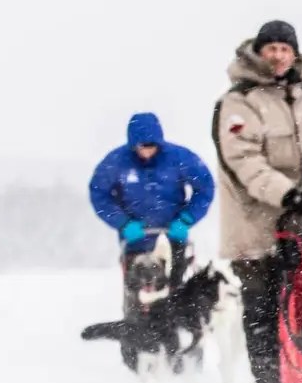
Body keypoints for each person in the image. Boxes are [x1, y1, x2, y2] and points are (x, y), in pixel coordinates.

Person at [214, 20, 302, 383]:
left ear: (294, 55)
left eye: (284, 49)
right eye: (270, 48)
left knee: (300, 308)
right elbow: (243, 160)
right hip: (254, 227)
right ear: (258, 52)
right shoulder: (239, 102)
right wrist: (286, 194)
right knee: (261, 310)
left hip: (298, 225)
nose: (277, 56)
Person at [88, 113, 215, 267]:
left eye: (151, 146)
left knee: (178, 288)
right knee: (138, 283)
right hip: (134, 240)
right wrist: (122, 223)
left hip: (172, 237)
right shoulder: (116, 163)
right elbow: (98, 193)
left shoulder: (179, 158)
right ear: (133, 145)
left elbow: (205, 187)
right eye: (142, 147)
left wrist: (186, 219)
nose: (147, 151)